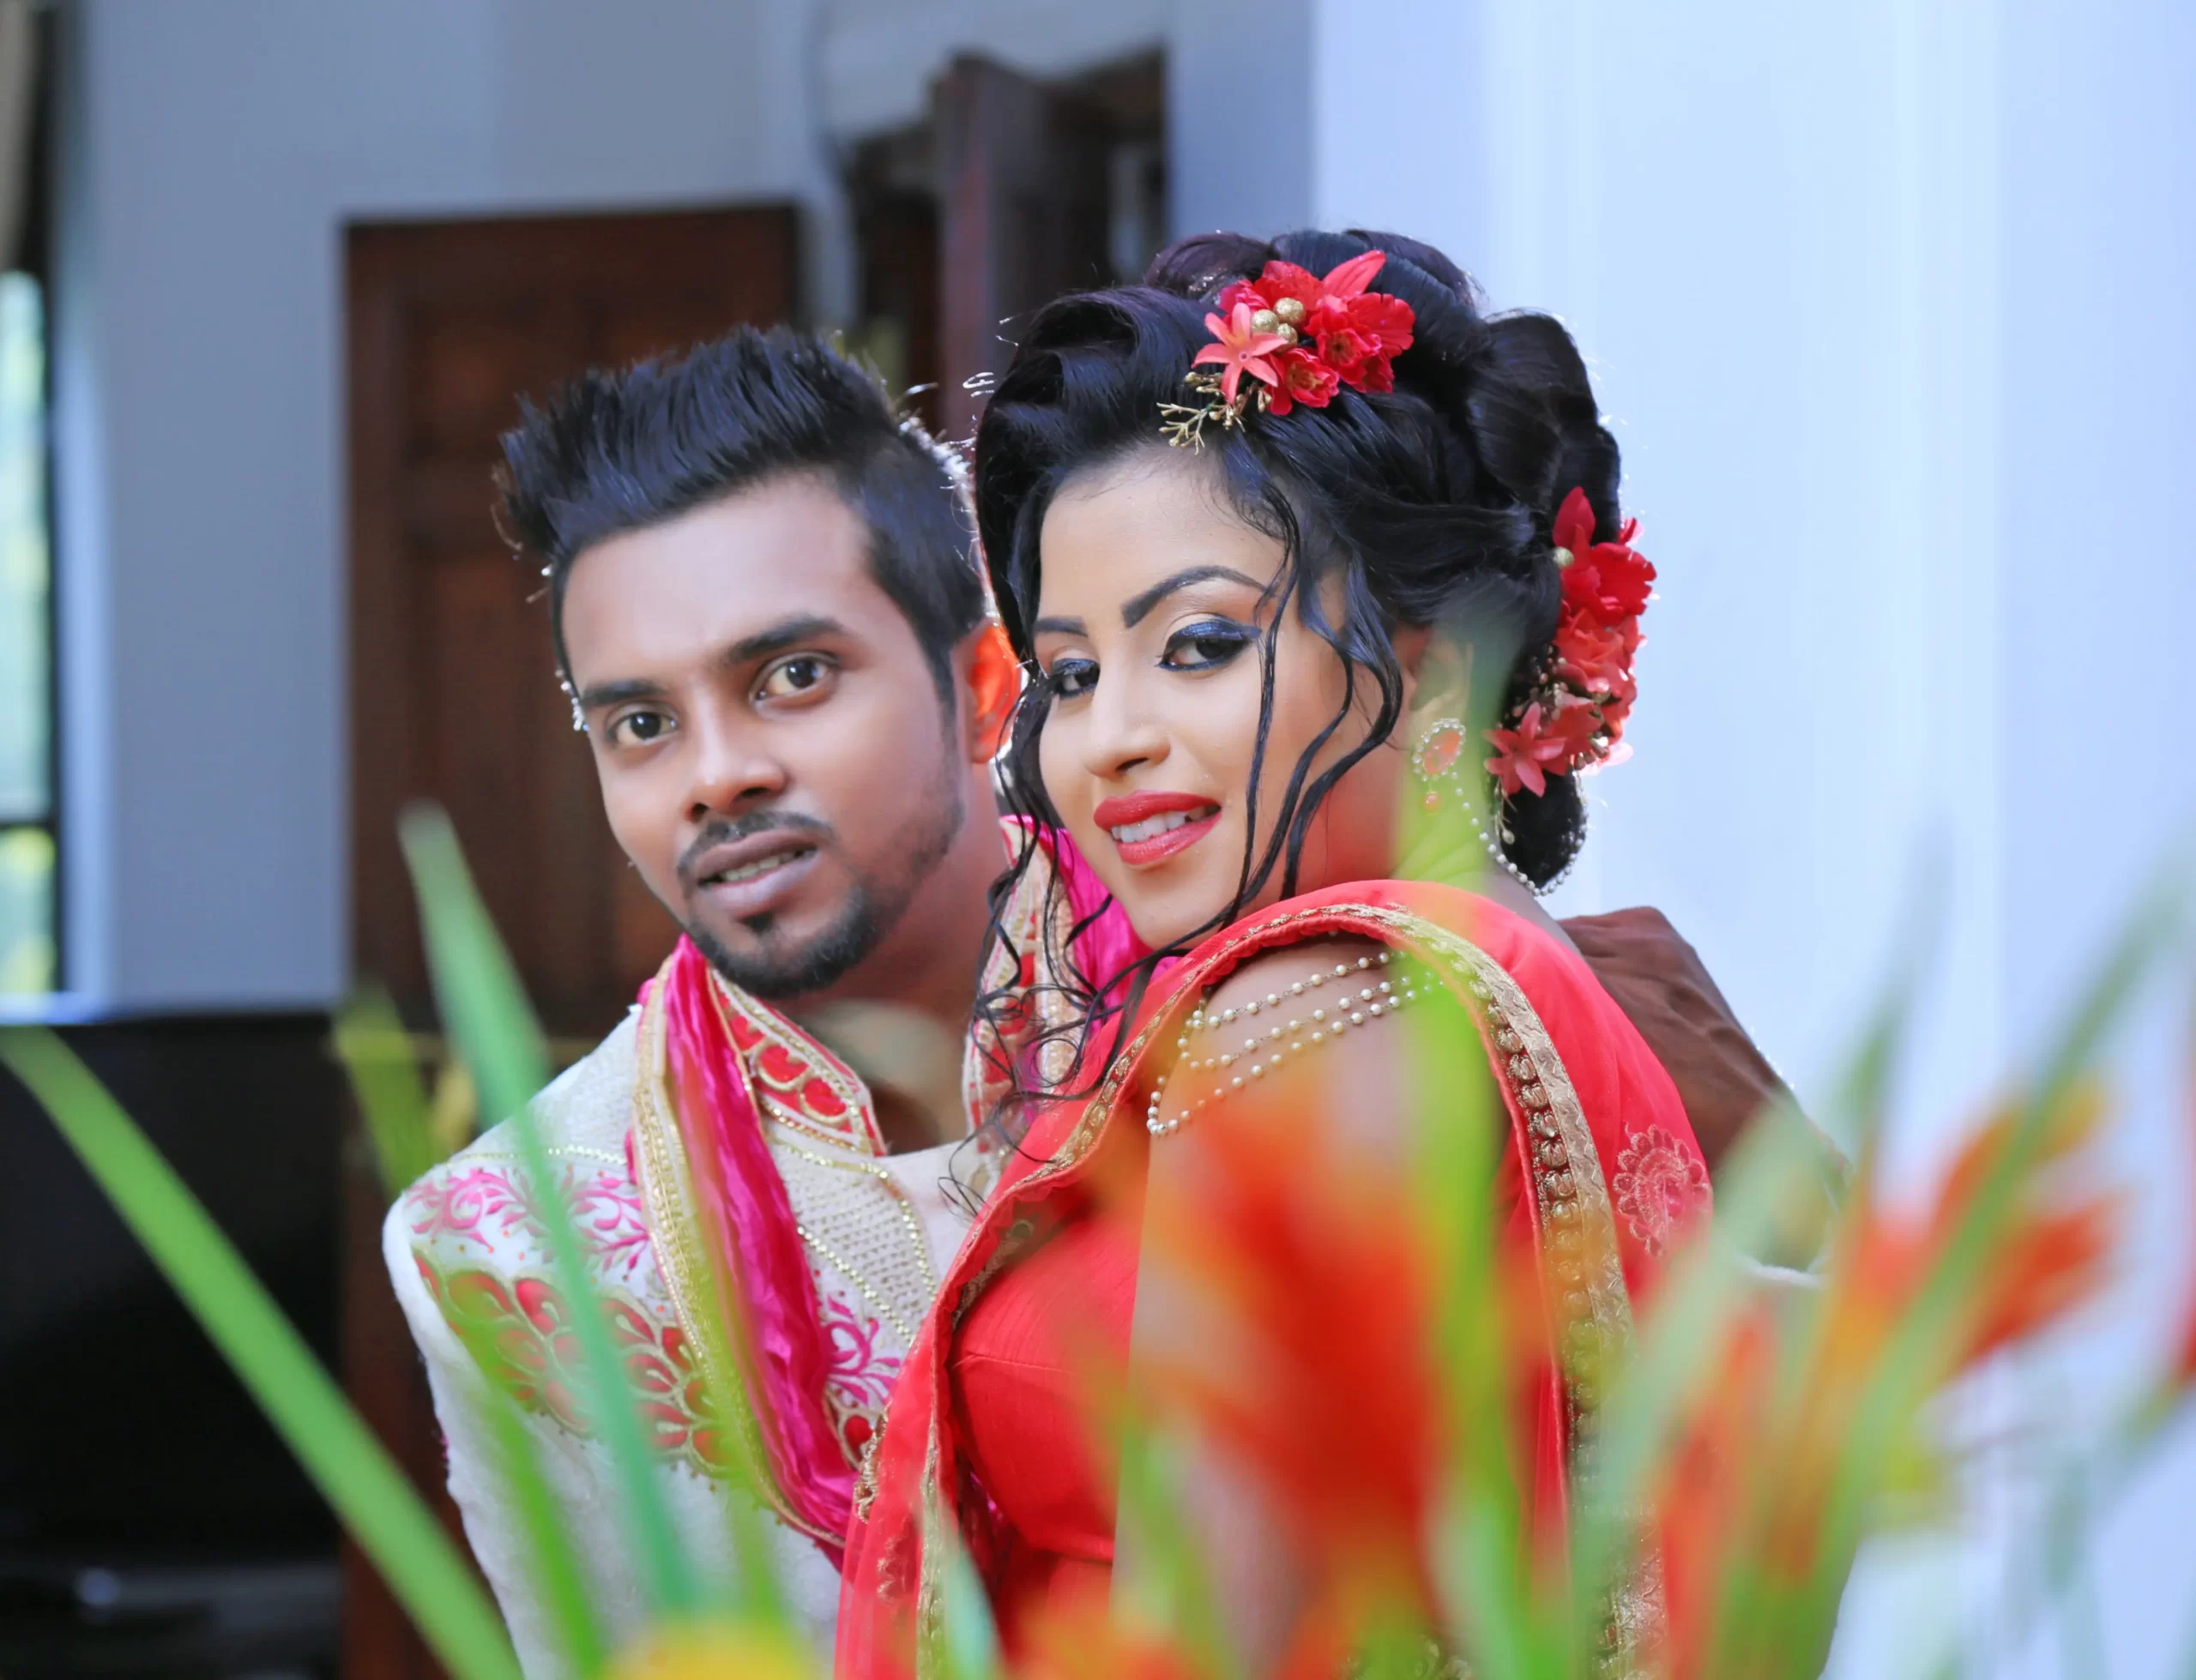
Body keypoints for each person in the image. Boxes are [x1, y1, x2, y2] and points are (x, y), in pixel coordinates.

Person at [383, 325, 1805, 1676]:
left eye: (793, 675)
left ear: (987, 675)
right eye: (639, 722)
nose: (714, 773)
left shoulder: (1286, 942)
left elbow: (1789, 1434)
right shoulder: (517, 1239)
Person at [836, 230, 1727, 1674]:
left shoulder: (1314, 1002)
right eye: (1069, 672)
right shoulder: (1548, 974)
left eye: (1193, 644)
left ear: (1433, 666)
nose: (1106, 735)